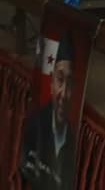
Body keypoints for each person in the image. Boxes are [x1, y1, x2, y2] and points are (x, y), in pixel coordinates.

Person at [21, 33, 77, 190]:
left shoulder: (73, 138)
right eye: (60, 79)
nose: (63, 93)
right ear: (51, 83)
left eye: (69, 83)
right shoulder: (34, 124)